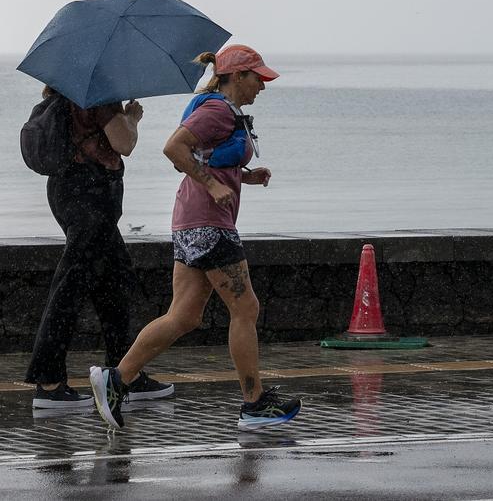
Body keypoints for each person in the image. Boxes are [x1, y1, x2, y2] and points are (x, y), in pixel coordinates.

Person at [89, 44, 302, 430]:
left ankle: (117, 380)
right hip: (209, 225)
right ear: (237, 76)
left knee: (184, 316)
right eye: (258, 78)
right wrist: (211, 185)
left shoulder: (222, 111)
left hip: (191, 223)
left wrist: (245, 178)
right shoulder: (217, 110)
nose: (263, 87)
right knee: (246, 309)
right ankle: (254, 404)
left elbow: (202, 158)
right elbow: (174, 148)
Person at [26, 89, 175, 409]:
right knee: (68, 288)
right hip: (89, 196)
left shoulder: (65, 93)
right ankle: (49, 383)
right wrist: (132, 118)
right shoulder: (99, 95)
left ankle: (125, 375)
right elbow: (125, 144)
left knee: (116, 285)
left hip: (69, 190)